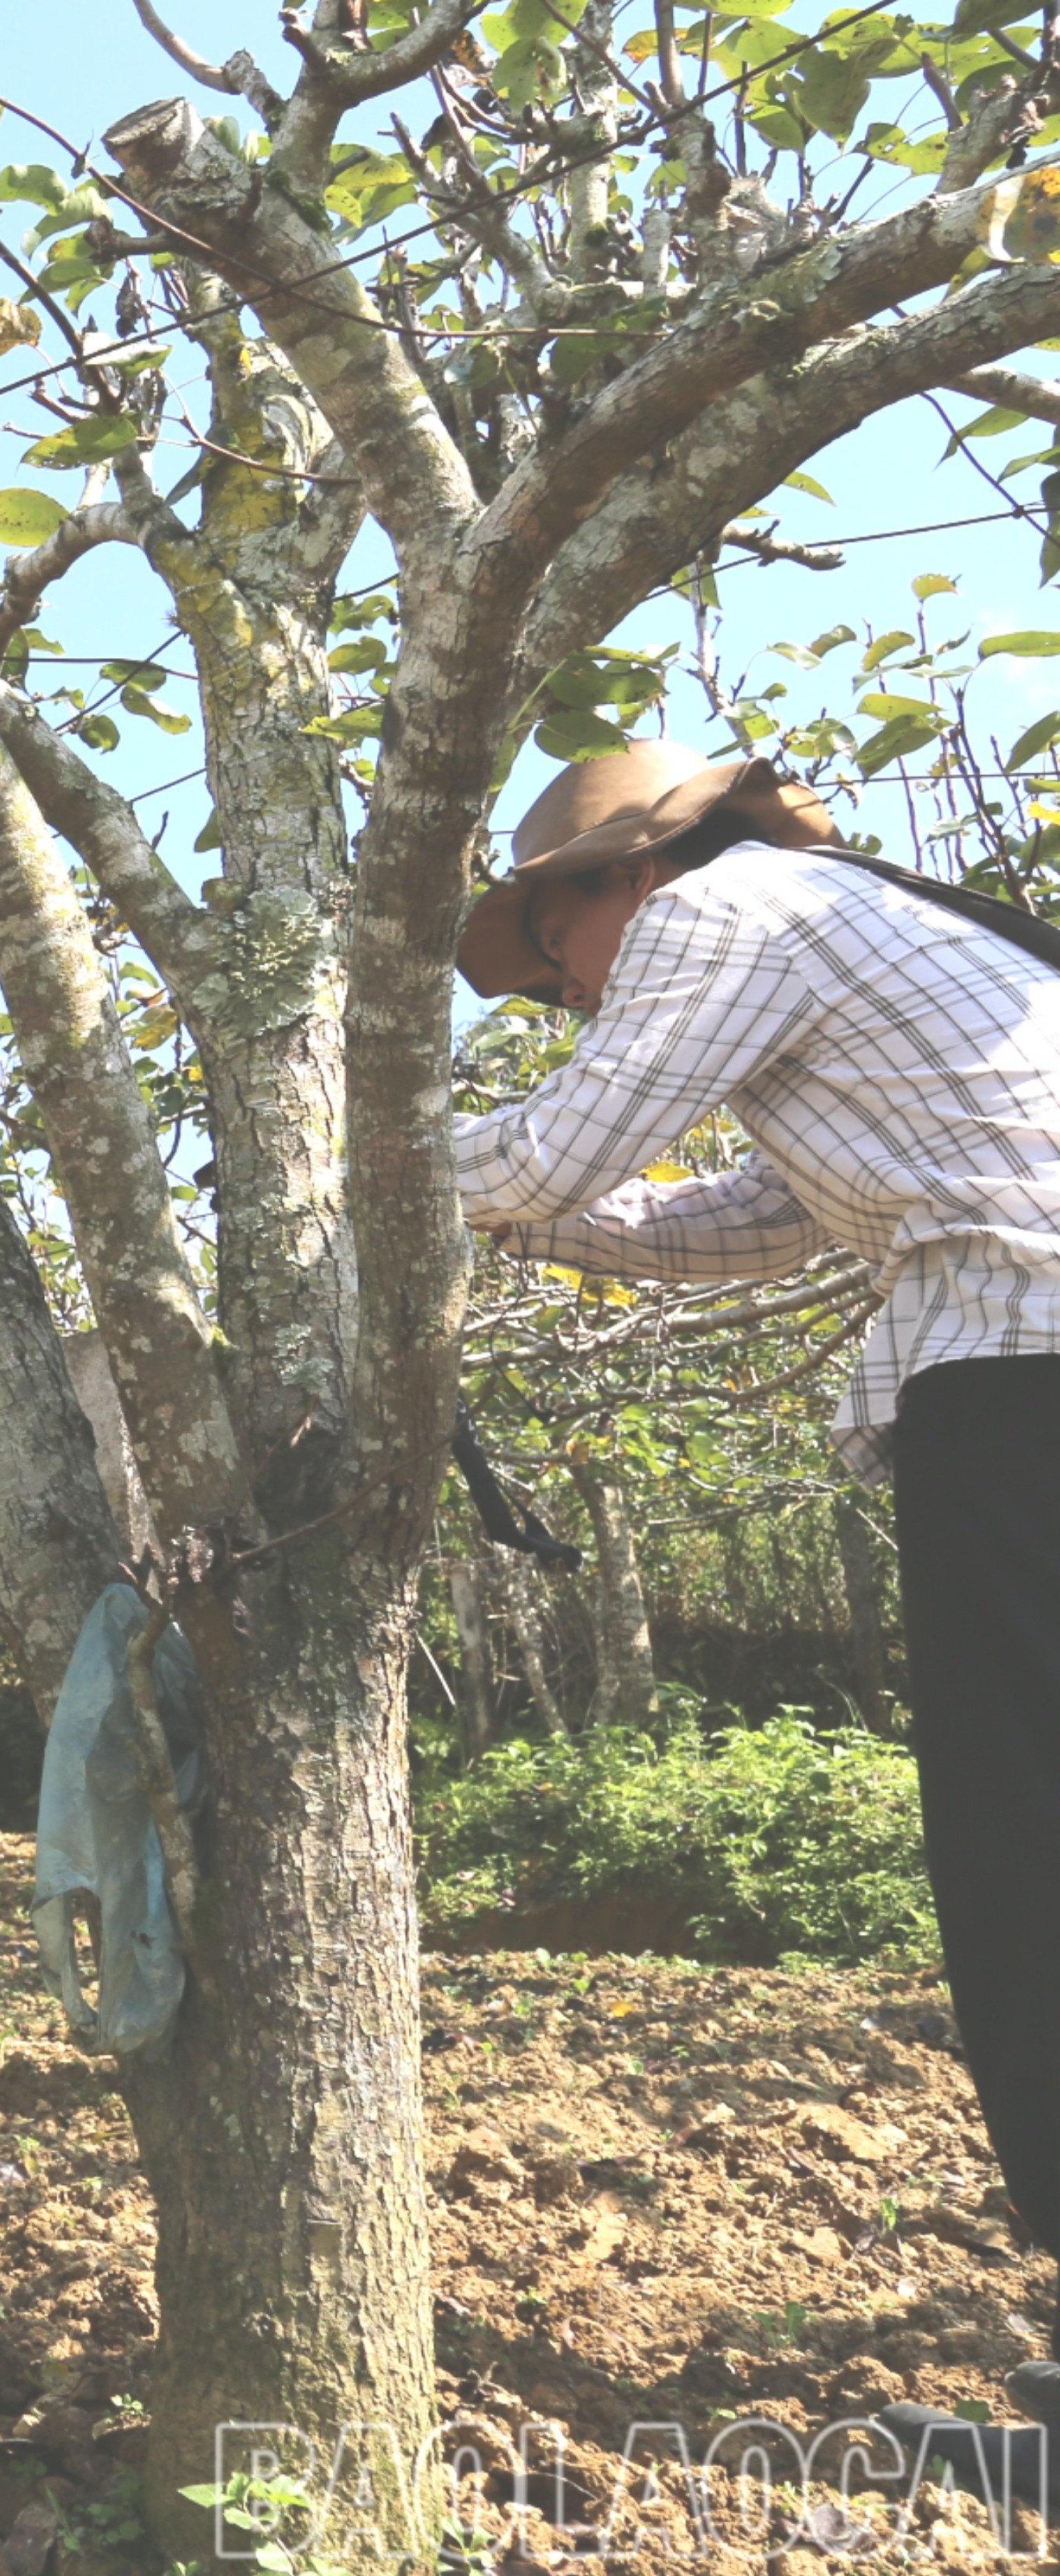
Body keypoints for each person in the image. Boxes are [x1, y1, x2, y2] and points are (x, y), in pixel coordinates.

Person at [451, 740, 1060, 2288]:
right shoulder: (867, 937)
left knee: (1024, 1865)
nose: (568, 995)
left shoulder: (722, 914)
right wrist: (522, 1206)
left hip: (1022, 1385)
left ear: (624, 878)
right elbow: (744, 1224)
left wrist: (376, 1165)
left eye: (549, 955)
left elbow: (559, 1149)